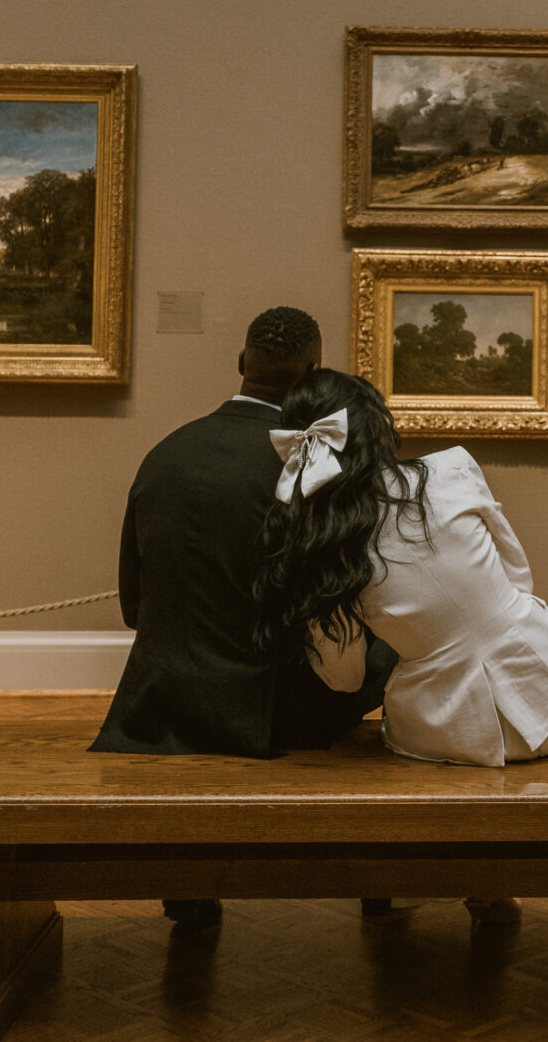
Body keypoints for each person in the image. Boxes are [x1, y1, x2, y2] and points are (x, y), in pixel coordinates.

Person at [258, 368, 548, 768]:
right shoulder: (454, 468)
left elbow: (346, 678)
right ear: (376, 426)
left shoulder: (323, 552)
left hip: (444, 729)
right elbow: (517, 570)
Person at [95, 307, 397, 760]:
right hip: (267, 714)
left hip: (154, 705)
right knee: (393, 635)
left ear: (241, 361)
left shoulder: (164, 455)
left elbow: (134, 605)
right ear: (312, 373)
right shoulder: (309, 470)